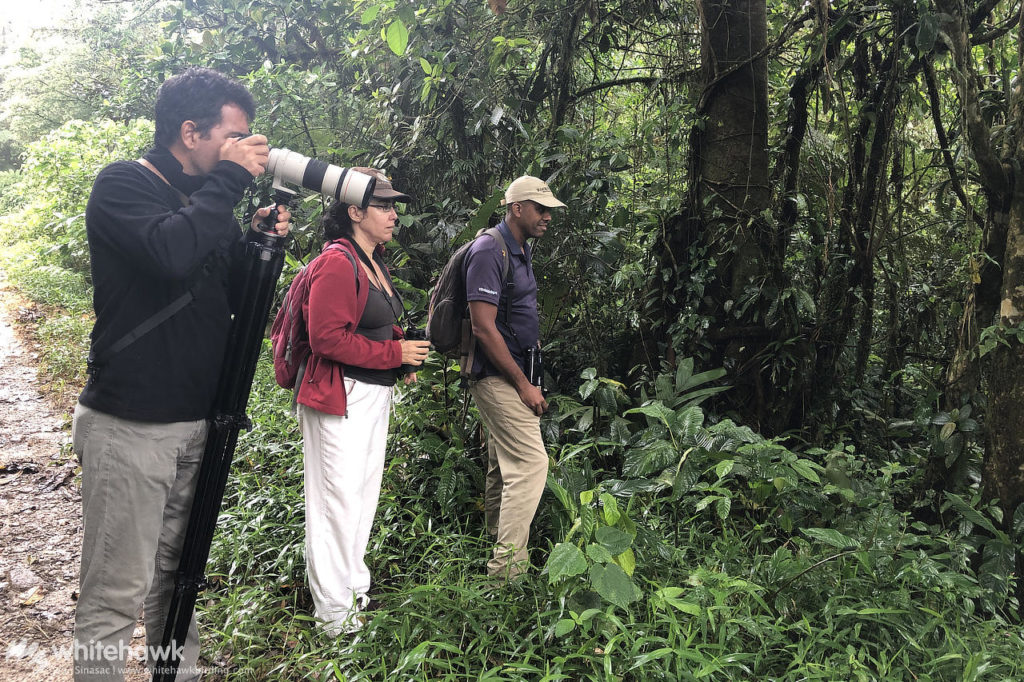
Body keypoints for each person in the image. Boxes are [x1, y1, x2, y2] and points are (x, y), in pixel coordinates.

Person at [71, 67, 291, 681]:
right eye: (235, 135)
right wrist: (225, 187)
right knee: (116, 591)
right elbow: (169, 255)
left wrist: (256, 247)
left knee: (177, 581)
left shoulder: (206, 208)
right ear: (191, 132)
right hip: (130, 427)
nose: (248, 147)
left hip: (196, 424)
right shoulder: (122, 185)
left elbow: (226, 300)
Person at [295, 169, 431, 634]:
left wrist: (400, 356)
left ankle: (353, 595)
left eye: (395, 206)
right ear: (354, 212)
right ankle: (335, 620)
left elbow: (371, 323)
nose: (394, 215)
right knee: (337, 502)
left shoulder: (373, 260)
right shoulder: (338, 261)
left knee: (361, 498)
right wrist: (393, 352)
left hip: (372, 394)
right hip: (340, 395)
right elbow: (326, 339)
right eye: (383, 206)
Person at [464, 175, 566, 579]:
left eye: (549, 211)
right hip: (494, 376)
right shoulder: (491, 248)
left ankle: (495, 537)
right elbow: (483, 326)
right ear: (516, 208)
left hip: (516, 370)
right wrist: (523, 385)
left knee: (501, 462)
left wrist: (531, 374)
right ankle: (505, 571)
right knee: (530, 463)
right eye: (541, 209)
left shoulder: (518, 249)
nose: (547, 218)